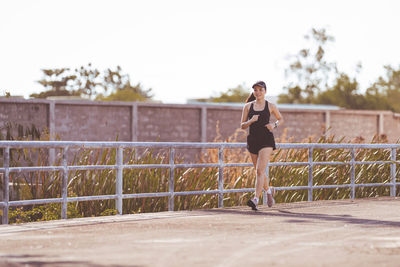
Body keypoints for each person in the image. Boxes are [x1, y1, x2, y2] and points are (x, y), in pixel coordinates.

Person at [240, 81, 284, 211]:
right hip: (253, 140)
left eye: (260, 90)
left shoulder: (270, 106)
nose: (258, 92)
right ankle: (269, 191)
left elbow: (280, 119)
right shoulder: (248, 106)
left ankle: (256, 199)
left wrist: (274, 125)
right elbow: (242, 125)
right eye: (256, 90)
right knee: (258, 171)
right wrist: (251, 120)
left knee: (260, 170)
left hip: (266, 140)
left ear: (265, 91)